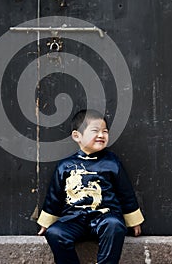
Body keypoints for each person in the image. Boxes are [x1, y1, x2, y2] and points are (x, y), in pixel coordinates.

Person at [37, 109, 144, 264]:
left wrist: (133, 221)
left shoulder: (112, 163)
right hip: (75, 218)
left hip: (105, 217)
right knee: (55, 233)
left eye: (105, 131)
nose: (101, 135)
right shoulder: (65, 166)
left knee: (115, 226)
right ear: (77, 136)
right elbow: (54, 196)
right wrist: (46, 223)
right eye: (95, 131)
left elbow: (125, 193)